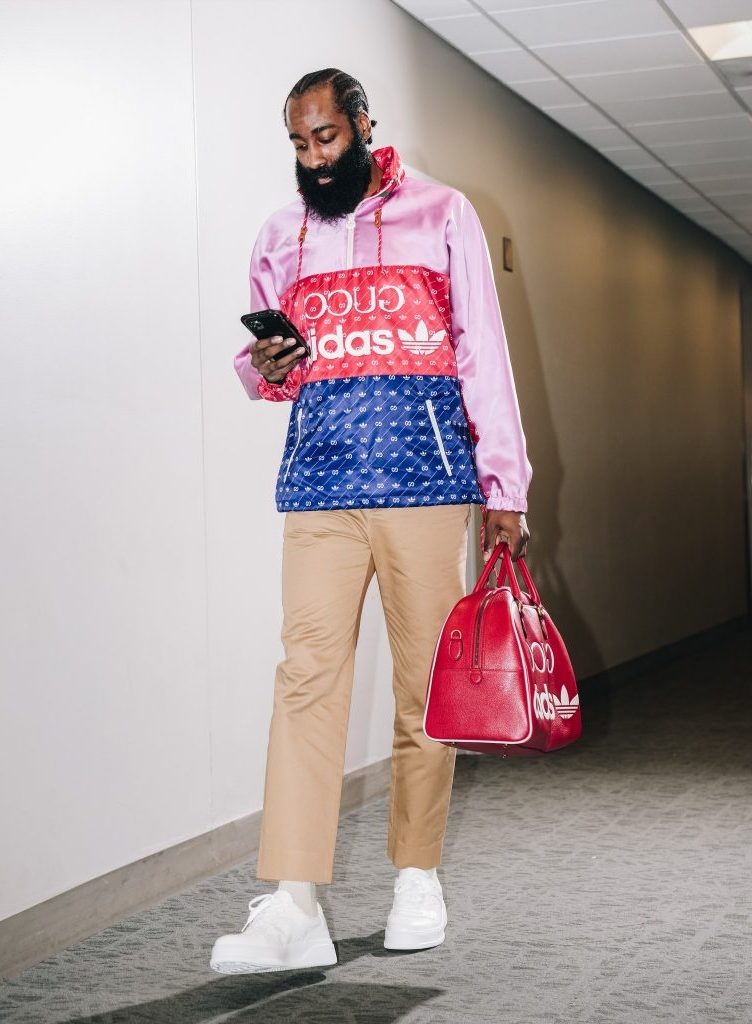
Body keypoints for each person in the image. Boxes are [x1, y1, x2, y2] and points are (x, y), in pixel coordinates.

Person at [210, 68, 531, 974]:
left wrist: (504, 481)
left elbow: (481, 349)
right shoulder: (283, 233)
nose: (313, 159)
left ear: (360, 125)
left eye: (326, 139)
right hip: (318, 485)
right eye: (299, 145)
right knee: (304, 678)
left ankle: (416, 873)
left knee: (425, 686)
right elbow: (265, 375)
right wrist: (265, 360)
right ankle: (294, 902)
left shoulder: (441, 214)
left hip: (425, 479)